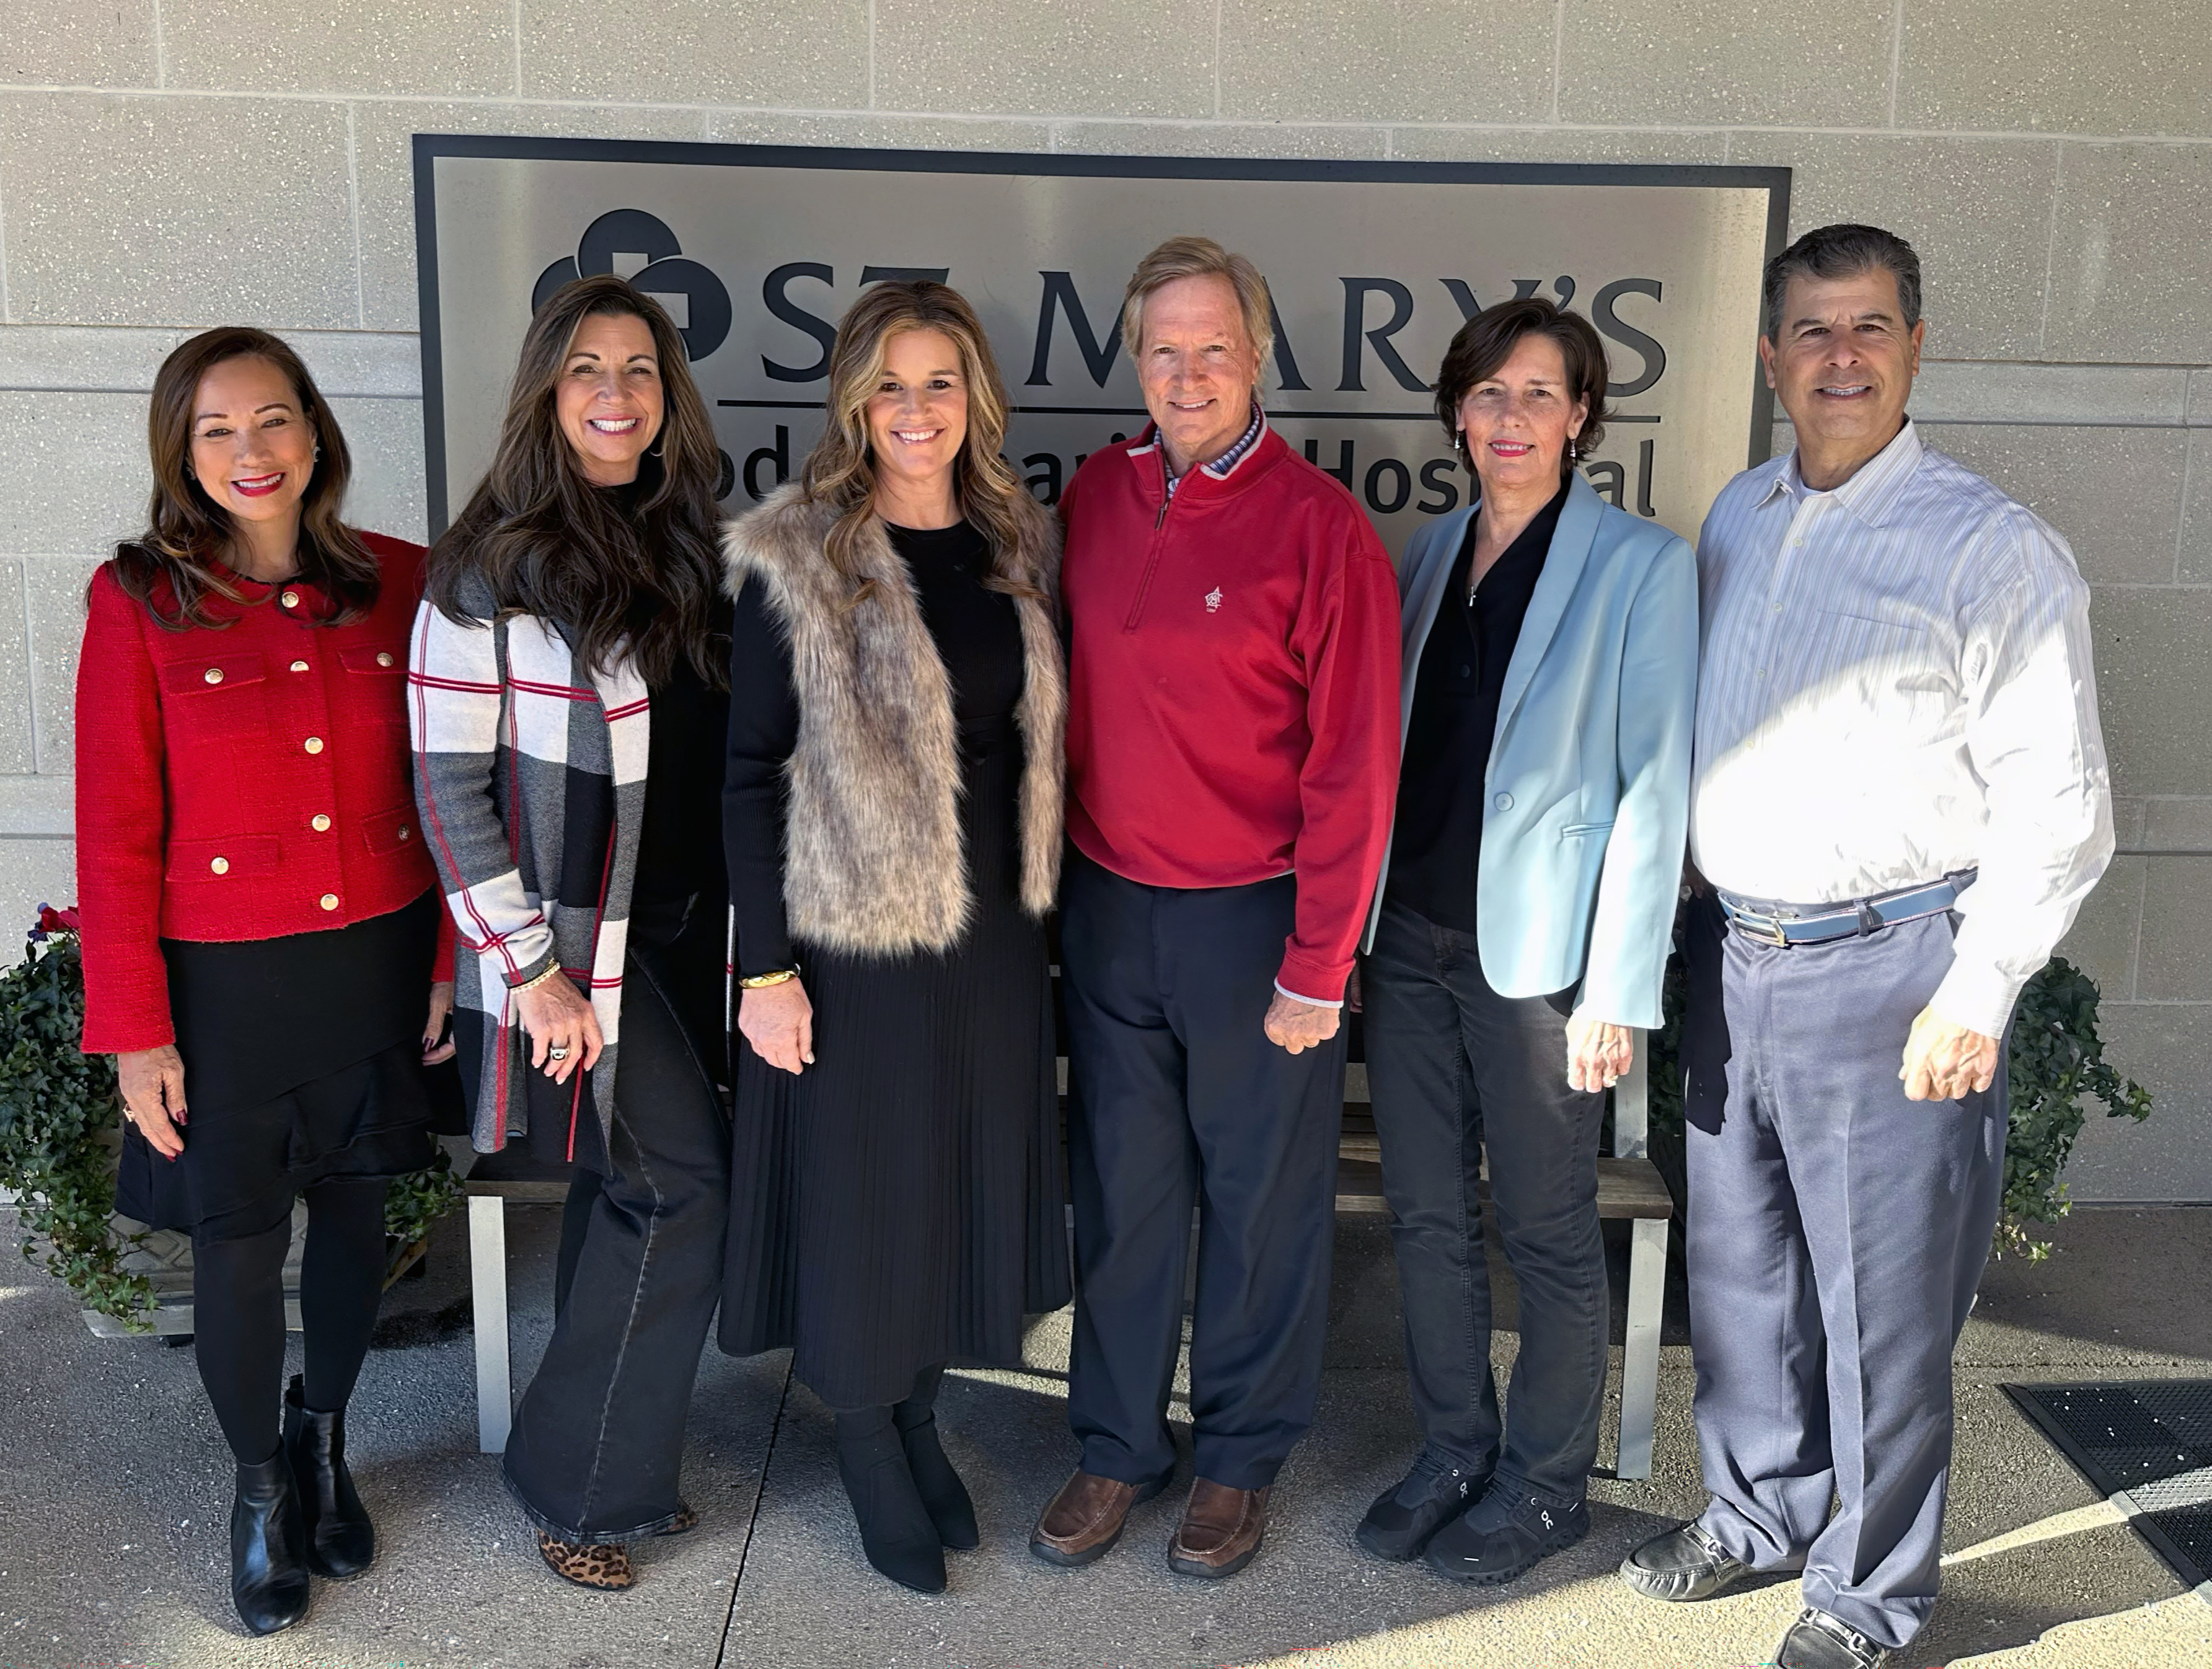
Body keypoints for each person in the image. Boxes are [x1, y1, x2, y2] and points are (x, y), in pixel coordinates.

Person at [1617, 225, 2114, 1669]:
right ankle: (1760, 1514)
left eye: (1872, 329)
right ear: (1771, 359)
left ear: (1914, 349)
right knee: (1745, 1277)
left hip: (1897, 976)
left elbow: (2062, 800)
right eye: (1815, 332)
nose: (1843, 357)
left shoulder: (1990, 547)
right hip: (1739, 965)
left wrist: (1979, 988)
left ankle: (1867, 1598)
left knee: (1882, 1320)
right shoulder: (1738, 517)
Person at [75, 327, 457, 1636]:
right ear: (181, 454)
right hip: (222, 986)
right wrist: (133, 1029)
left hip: (374, 959)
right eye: (218, 430)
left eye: (274, 420)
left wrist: (451, 954)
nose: (252, 451)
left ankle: (325, 1444)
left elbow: (455, 788)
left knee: (358, 1222)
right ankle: (255, 1494)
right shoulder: (137, 601)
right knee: (238, 1254)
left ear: (315, 435)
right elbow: (114, 825)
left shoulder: (401, 582)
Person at [1033, 236, 1401, 1581]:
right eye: (1162, 349)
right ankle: (1115, 1445)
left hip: (1254, 927)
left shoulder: (1318, 529)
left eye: (1212, 349)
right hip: (1108, 909)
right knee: (1125, 1198)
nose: (1185, 375)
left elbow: (1353, 764)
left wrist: (1319, 966)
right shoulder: (1097, 494)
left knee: (1257, 1207)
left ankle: (1238, 1459)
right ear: (1135, 361)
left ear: (1257, 360)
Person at [719, 280, 1071, 1595]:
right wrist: (764, 969)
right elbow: (748, 775)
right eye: (889, 386)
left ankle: (919, 1408)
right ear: (853, 402)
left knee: (952, 1179)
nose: (914, 411)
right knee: (866, 1189)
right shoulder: (794, 550)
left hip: (989, 933)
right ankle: (864, 1431)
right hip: (850, 938)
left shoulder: (1012, 544)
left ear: (972, 397)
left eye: (938, 384)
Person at [1356, 298, 1697, 1583]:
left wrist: (1617, 989)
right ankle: (1454, 1450)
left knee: (1546, 1230)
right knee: (1427, 1219)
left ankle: (1544, 1483)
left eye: (1538, 395)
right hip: (1411, 942)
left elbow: (1653, 787)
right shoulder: (1429, 553)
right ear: (1457, 410)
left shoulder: (1638, 566)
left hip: (1544, 968)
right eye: (1489, 393)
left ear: (1581, 417)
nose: (1510, 417)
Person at [411, 274, 733, 1592]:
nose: (616, 393)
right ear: (547, 389)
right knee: (679, 1186)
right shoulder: (489, 569)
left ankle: (579, 1451)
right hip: (573, 955)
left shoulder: (682, 539)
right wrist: (531, 974)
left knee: (625, 1188)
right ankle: (585, 1489)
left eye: (640, 369)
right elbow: (447, 787)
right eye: (588, 367)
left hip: (681, 937)